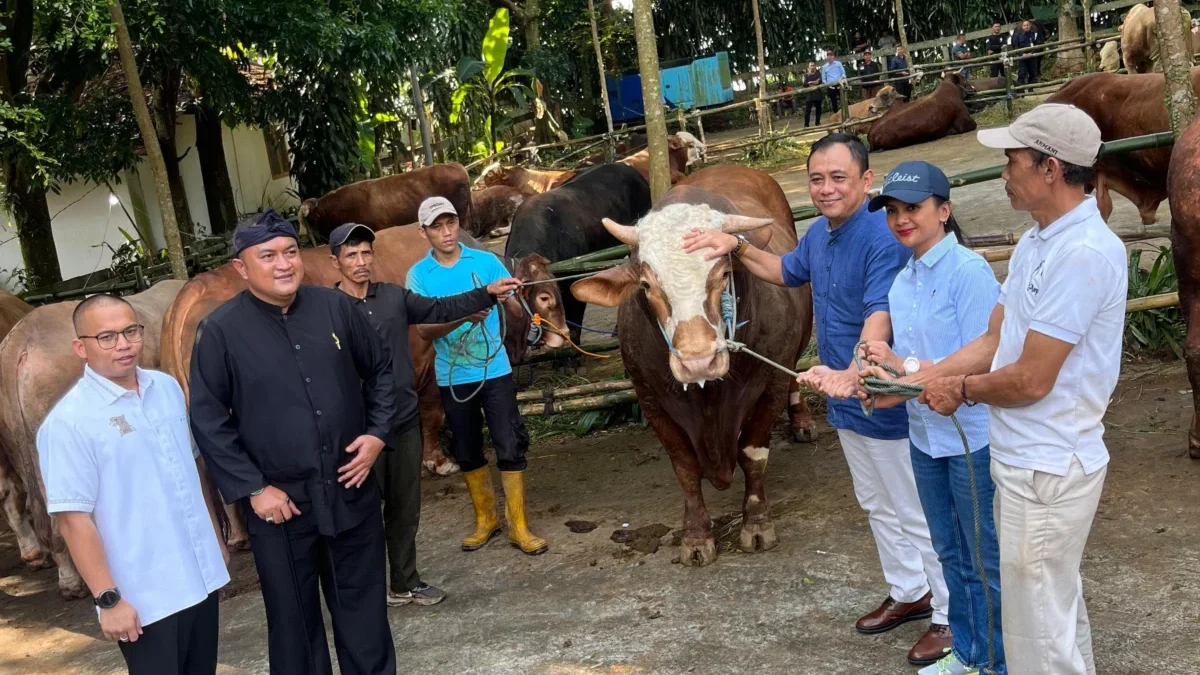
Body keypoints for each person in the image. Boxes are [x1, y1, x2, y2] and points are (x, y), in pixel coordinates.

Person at [680, 134, 952, 667]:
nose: (826, 189)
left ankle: (948, 613)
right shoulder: (822, 233)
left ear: (866, 182)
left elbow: (881, 317)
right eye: (817, 179)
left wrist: (857, 372)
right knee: (876, 503)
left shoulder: (881, 237)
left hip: (881, 397)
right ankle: (909, 591)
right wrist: (733, 246)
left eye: (838, 178)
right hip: (846, 397)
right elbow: (786, 272)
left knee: (916, 509)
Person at [874, 104, 1124, 675]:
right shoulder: (1041, 241)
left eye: (1012, 160)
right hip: (1027, 459)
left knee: (1037, 635)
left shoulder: (1081, 253)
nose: (1004, 173)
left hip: (1048, 464)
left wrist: (960, 390)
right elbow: (996, 336)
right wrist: (916, 381)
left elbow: (1033, 377)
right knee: (1052, 616)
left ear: (1050, 168)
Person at [190, 210, 398, 675]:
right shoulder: (220, 332)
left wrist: (378, 434)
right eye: (267, 256)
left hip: (351, 489)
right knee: (293, 626)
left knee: (364, 614)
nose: (284, 264)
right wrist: (252, 488)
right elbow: (207, 419)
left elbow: (381, 371)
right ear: (242, 268)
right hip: (279, 507)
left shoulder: (336, 308)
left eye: (289, 252)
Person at [853, 161, 1007, 675]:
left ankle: (993, 662)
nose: (901, 219)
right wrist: (871, 379)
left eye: (913, 208)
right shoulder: (902, 281)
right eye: (893, 211)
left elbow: (985, 354)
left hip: (971, 437)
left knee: (984, 559)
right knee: (949, 551)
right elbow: (904, 365)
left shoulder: (968, 271)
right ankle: (966, 652)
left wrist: (904, 376)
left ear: (944, 210)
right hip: (925, 436)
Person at [328, 222, 520, 607]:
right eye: (351, 255)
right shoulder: (324, 309)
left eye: (366, 253)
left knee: (405, 507)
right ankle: (360, 591)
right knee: (361, 512)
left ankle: (403, 582)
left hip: (401, 420)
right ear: (336, 263)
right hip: (357, 431)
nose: (361, 261)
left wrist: (486, 292)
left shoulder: (393, 297)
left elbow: (440, 308)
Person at [37, 294, 229, 675]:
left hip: (199, 574)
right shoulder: (69, 423)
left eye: (130, 331)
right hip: (143, 596)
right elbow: (74, 519)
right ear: (80, 347)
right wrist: (108, 600)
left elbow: (190, 469)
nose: (123, 345)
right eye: (106, 337)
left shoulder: (166, 389)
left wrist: (215, 540)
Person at [406, 197, 548, 556]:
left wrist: (523, 308)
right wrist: (463, 315)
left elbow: (512, 305)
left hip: (494, 367)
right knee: (467, 448)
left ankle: (518, 524)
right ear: (424, 232)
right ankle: (486, 519)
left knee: (509, 443)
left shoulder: (485, 261)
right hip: (452, 375)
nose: (446, 232)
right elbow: (424, 331)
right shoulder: (419, 276)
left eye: (451, 223)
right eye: (437, 226)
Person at [1013, 20, 1042, 86]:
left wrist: (1031, 53)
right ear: (1022, 27)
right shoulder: (1018, 36)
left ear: (1030, 26)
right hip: (1022, 57)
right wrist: (1022, 54)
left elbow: (1038, 45)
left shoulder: (1035, 34)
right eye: (1024, 25)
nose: (1026, 27)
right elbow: (1016, 47)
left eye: (1027, 25)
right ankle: (1020, 89)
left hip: (1032, 56)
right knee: (1022, 73)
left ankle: (1031, 89)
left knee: (1033, 73)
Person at [821, 49, 846, 116]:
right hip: (831, 87)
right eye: (828, 55)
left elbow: (843, 73)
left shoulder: (838, 64)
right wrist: (828, 84)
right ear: (827, 57)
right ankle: (837, 116)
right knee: (834, 103)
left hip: (840, 85)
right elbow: (823, 79)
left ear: (833, 56)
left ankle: (845, 114)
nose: (830, 56)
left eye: (831, 55)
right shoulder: (824, 67)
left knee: (843, 100)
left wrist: (841, 79)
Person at [803, 62, 824, 127]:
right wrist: (814, 83)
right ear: (809, 67)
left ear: (815, 66)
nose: (812, 66)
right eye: (811, 65)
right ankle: (806, 125)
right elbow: (804, 84)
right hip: (809, 95)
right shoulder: (805, 75)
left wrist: (810, 82)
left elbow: (819, 81)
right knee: (807, 111)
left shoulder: (818, 74)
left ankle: (817, 123)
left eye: (813, 65)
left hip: (817, 93)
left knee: (818, 110)